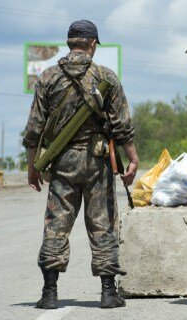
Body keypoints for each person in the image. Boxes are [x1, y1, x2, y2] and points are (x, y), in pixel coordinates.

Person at [23, 20, 139, 309]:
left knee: (56, 225)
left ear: (69, 43)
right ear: (92, 44)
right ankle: (108, 292)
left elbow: (34, 129)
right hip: (97, 163)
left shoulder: (48, 77)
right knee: (102, 225)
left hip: (61, 162)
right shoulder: (106, 76)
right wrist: (133, 158)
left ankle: (49, 293)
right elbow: (122, 125)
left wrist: (33, 166)